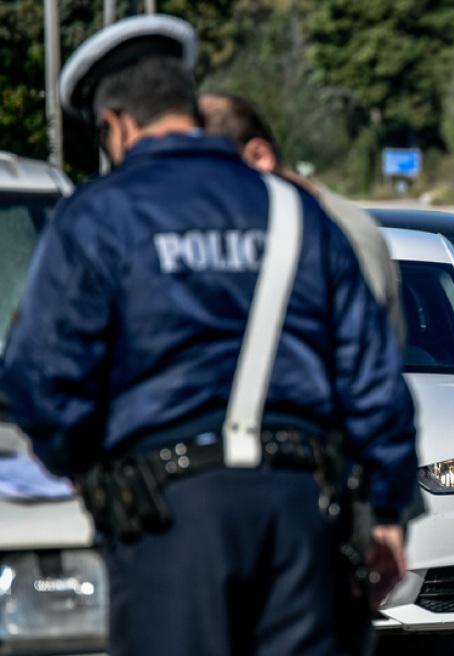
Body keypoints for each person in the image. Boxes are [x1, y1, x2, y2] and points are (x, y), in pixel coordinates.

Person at [0, 15, 416, 655]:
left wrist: (88, 468)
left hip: (165, 520)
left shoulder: (98, 216)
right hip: (301, 514)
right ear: (186, 104)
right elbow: (372, 376)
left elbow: (38, 379)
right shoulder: (293, 209)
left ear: (115, 124)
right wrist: (387, 512)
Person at [198, 92, 408, 344]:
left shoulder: (342, 230)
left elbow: (366, 358)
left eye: (212, 174)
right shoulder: (240, 226)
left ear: (259, 157)